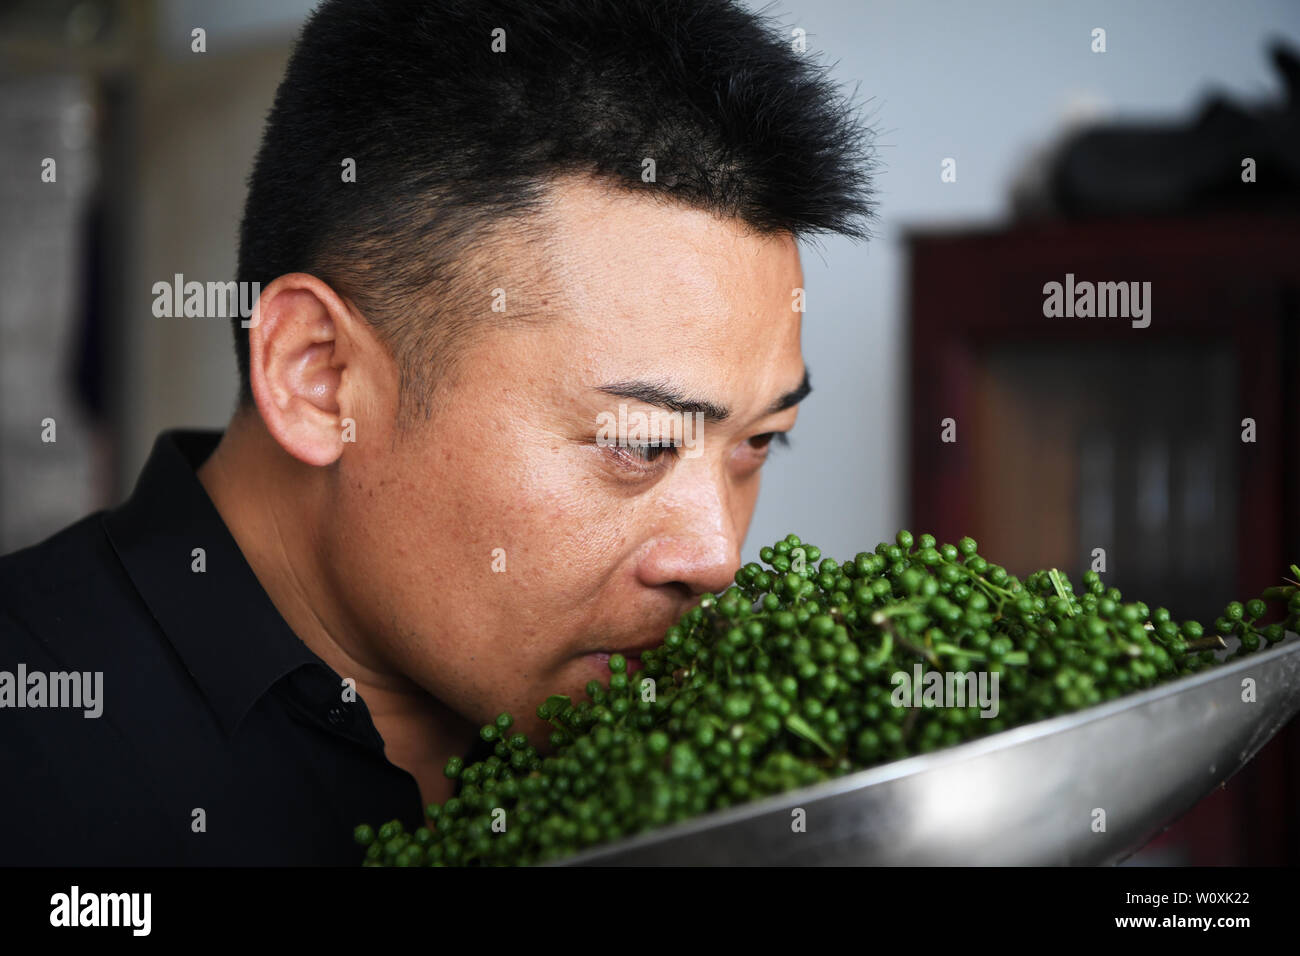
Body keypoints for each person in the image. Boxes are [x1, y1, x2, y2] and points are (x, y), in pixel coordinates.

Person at [0, 0, 875, 864]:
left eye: (762, 440)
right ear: (318, 375)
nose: (717, 556)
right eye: (641, 443)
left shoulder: (731, 747)